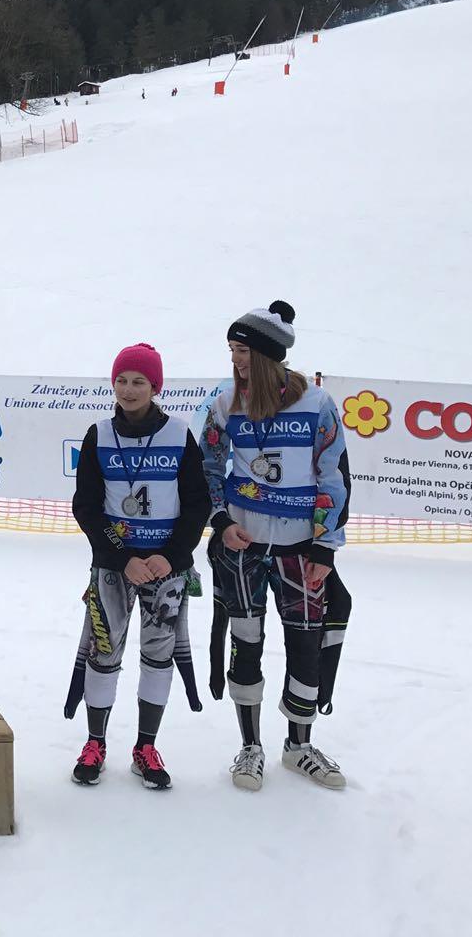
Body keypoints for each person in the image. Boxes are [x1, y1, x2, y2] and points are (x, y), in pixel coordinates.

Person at [200, 301, 352, 792]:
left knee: (305, 648)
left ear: (268, 354)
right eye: (231, 349)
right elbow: (206, 467)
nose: (234, 359)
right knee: (246, 645)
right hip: (243, 549)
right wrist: (221, 520)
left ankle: (299, 746)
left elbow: (334, 474)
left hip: (300, 551)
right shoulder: (225, 404)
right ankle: (250, 746)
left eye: (242, 350)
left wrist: (325, 547)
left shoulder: (317, 404)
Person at [64, 343, 209, 789]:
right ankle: (95, 743)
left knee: (158, 655)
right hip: (115, 566)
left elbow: (198, 503)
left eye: (139, 382)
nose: (128, 390)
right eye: (122, 380)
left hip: (165, 568)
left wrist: (172, 556)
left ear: (155, 387)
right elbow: (86, 507)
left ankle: (146, 747)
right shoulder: (99, 434)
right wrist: (122, 558)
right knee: (103, 651)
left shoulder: (178, 434)